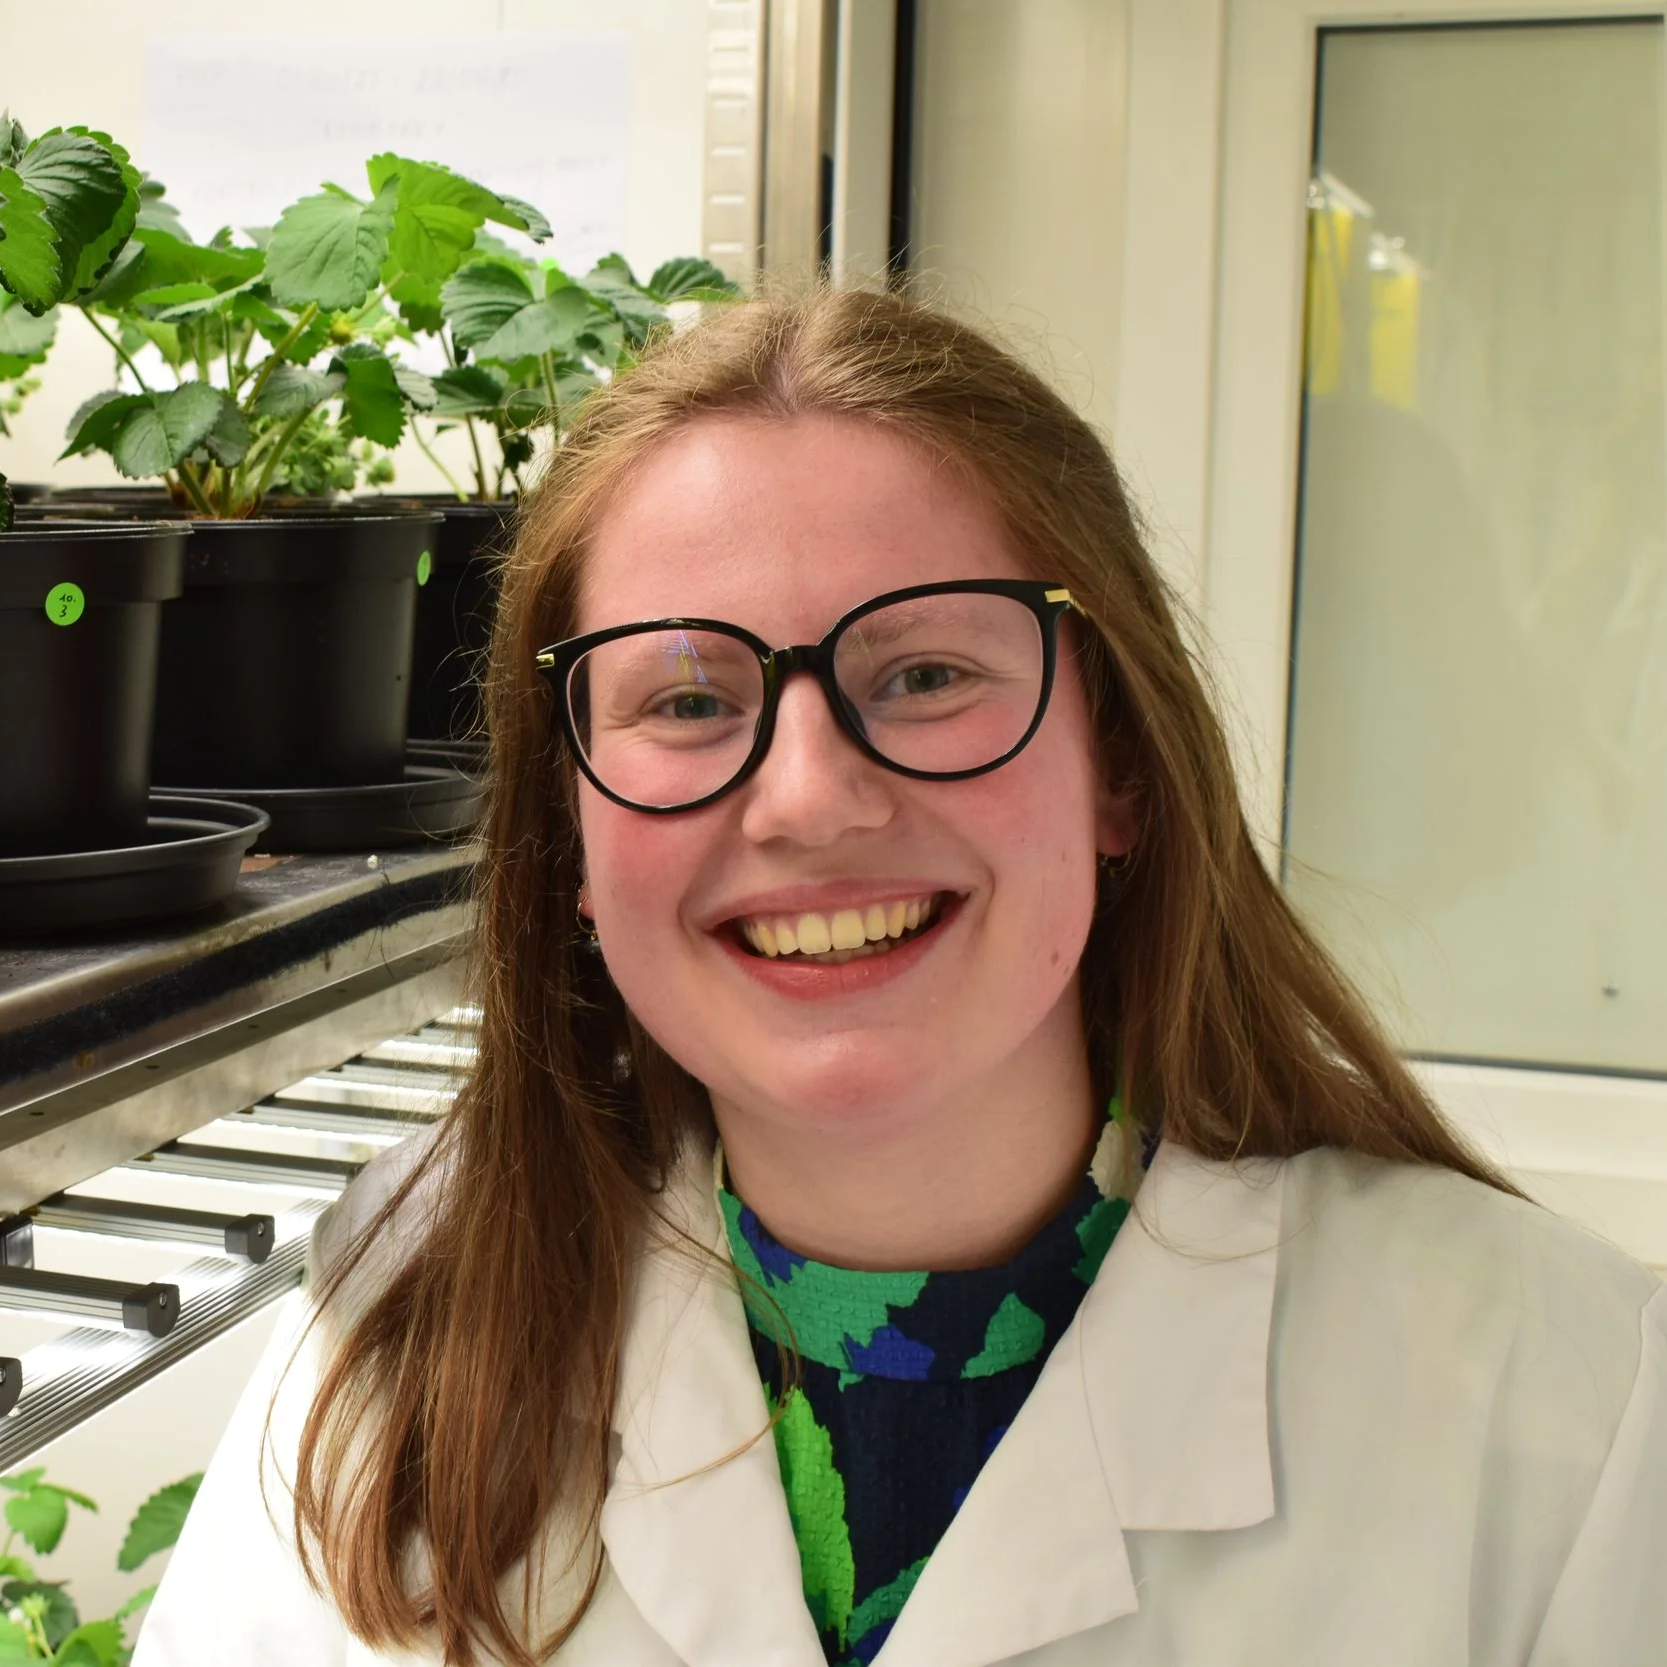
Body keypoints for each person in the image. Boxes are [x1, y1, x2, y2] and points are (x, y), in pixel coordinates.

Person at [136, 290, 1665, 1667]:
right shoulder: (396, 1316)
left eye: (924, 675)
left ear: (1118, 767)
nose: (807, 797)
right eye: (685, 696)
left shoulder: (1567, 1405)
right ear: (572, 834)